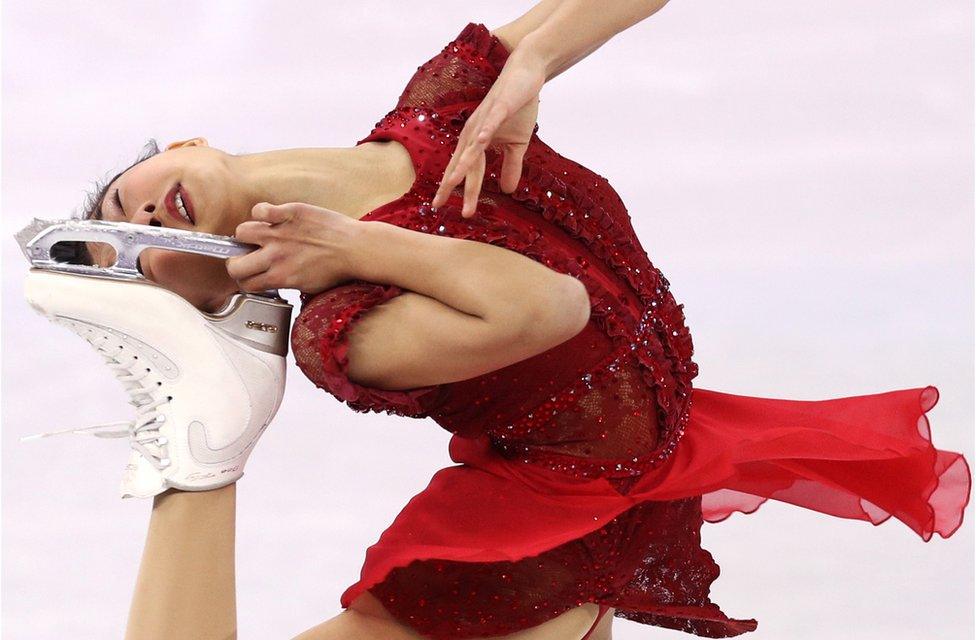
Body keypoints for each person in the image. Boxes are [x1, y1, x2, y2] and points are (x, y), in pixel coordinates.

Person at [62, 3, 971, 640]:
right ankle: (197, 454)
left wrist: (540, 53)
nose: (141, 226)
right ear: (215, 293)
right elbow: (548, 304)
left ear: (182, 142)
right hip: (519, 565)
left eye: (120, 203)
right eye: (136, 257)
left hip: (598, 523)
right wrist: (363, 248)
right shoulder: (346, 326)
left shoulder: (439, 109)